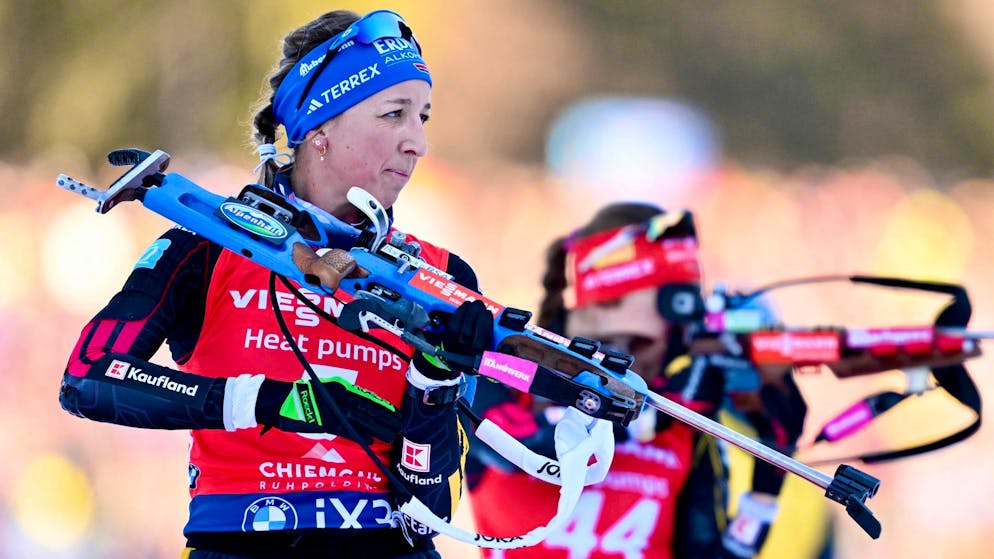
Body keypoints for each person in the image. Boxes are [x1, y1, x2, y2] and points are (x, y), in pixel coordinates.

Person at [59, 9, 495, 559]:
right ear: (319, 131)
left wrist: (435, 381)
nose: (418, 143)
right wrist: (273, 401)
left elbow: (431, 510)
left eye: (423, 117)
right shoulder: (208, 243)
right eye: (394, 114)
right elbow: (88, 378)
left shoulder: (440, 275)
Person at [465, 202, 809, 559]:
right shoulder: (506, 378)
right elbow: (524, 445)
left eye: (660, 344)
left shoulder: (682, 424)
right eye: (624, 344)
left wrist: (767, 484)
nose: (644, 362)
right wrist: (647, 419)